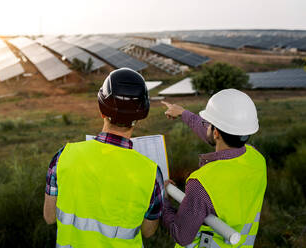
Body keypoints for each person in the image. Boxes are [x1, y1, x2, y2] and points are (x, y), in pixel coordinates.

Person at [44, 68, 164, 248]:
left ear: (102, 111)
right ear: (140, 117)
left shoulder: (64, 156)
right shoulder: (152, 174)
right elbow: (148, 231)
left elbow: (49, 217)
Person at [161, 89, 267, 248]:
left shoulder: (202, 183)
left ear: (216, 132)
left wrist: (162, 199)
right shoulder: (257, 159)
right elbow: (216, 133)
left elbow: (181, 235)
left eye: (210, 125)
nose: (207, 127)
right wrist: (183, 113)